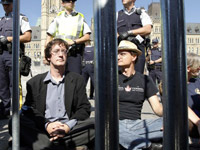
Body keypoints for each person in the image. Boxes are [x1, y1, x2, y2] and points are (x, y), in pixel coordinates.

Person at [9, 39, 95, 150]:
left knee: (97, 123)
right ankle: (56, 144)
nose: (61, 54)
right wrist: (47, 125)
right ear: (49, 57)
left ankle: (45, 145)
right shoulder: (35, 82)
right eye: (56, 51)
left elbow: (84, 108)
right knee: (15, 122)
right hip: (43, 128)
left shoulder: (77, 79)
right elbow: (29, 109)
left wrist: (67, 126)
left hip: (68, 128)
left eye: (64, 51)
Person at [118, 40, 163, 150]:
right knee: (103, 125)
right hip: (116, 123)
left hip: (138, 125)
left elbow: (158, 109)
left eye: (123, 54)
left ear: (133, 57)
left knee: (176, 123)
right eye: (117, 54)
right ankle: (148, 145)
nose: (118, 57)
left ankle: (129, 140)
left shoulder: (144, 80)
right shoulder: (111, 77)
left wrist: (170, 120)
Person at [0, 0, 32, 119]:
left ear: (13, 4)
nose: (5, 7)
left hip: (13, 54)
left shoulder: (21, 18)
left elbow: (27, 37)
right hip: (1, 55)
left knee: (15, 85)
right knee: (2, 85)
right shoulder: (1, 20)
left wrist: (9, 39)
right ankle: (5, 110)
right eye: (3, 4)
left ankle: (18, 112)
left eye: (7, 4)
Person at [45, 0, 91, 75]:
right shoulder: (58, 17)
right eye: (68, 1)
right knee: (58, 77)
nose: (71, 2)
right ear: (62, 3)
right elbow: (49, 37)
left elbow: (87, 36)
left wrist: (74, 42)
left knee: (74, 79)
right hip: (59, 53)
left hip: (74, 53)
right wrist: (46, 55)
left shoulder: (80, 17)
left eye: (72, 1)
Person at [117, 0, 152, 74]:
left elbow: (148, 29)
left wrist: (129, 33)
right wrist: (121, 37)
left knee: (137, 79)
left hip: (137, 52)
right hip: (122, 52)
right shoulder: (117, 15)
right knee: (120, 79)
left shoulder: (141, 13)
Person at [187, 53, 200, 139]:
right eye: (197, 66)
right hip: (190, 123)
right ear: (188, 68)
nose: (199, 68)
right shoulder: (176, 85)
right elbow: (180, 107)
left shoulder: (197, 81)